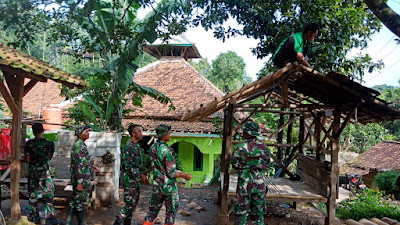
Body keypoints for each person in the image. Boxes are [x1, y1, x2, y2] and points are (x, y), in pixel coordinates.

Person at [142, 124, 192, 225]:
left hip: (157, 186)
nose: (170, 135)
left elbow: (161, 168)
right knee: (170, 213)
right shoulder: (167, 150)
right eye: (169, 133)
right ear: (163, 135)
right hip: (169, 187)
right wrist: (184, 176)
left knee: (152, 211)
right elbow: (171, 173)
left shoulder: (152, 148)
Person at [231, 121, 271, 225]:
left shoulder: (240, 147)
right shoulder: (265, 148)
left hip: (244, 185)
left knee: (241, 214)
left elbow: (234, 164)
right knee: (258, 214)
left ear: (248, 133)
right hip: (260, 184)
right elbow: (267, 165)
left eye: (244, 131)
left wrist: (244, 167)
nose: (242, 133)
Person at [25, 123, 64, 225]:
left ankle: (34, 217)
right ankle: (49, 217)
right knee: (48, 194)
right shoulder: (49, 144)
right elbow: (50, 157)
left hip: (32, 171)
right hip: (44, 171)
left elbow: (28, 160)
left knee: (32, 194)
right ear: (43, 131)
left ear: (33, 132)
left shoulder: (29, 144)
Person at [113, 124, 148, 225]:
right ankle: (117, 221)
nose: (141, 133)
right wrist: (140, 176)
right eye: (139, 131)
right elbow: (128, 167)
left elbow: (137, 165)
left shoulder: (136, 146)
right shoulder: (129, 147)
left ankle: (127, 222)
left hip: (135, 180)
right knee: (129, 204)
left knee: (134, 204)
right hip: (129, 180)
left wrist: (143, 174)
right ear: (133, 133)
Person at [66, 125, 99, 225]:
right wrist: (80, 182)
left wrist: (91, 166)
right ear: (80, 134)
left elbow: (82, 162)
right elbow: (78, 165)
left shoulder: (80, 145)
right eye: (86, 131)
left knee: (76, 201)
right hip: (82, 180)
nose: (88, 133)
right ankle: (82, 222)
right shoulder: (79, 146)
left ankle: (69, 222)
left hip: (82, 178)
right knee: (80, 202)